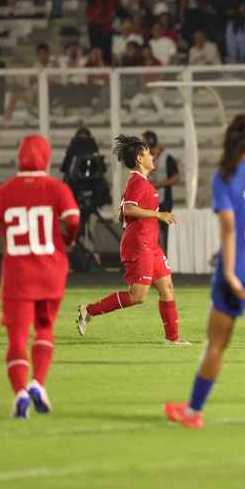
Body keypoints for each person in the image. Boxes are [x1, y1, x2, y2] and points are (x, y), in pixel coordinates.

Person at [164, 115, 245, 430]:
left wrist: (230, 271)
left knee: (216, 344)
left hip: (239, 271)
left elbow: (231, 227)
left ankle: (193, 412)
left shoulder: (225, 175)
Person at [0, 135, 80, 418]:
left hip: (18, 276)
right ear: (46, 157)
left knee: (17, 340)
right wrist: (68, 239)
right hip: (51, 273)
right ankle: (38, 383)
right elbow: (73, 219)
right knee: (45, 330)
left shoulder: (6, 190)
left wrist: (5, 230)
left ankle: (20, 392)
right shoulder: (56, 187)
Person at [76, 135, 190, 345]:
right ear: (139, 159)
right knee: (138, 296)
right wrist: (157, 215)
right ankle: (88, 310)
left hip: (150, 245)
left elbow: (122, 214)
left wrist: (139, 220)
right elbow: (128, 209)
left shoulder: (137, 182)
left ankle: (172, 339)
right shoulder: (137, 182)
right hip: (139, 246)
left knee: (167, 289)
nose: (152, 157)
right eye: (148, 154)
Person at [142, 131, 180, 252]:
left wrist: (160, 184)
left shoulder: (166, 157)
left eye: (144, 143)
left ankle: (169, 258)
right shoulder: (145, 157)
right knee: (151, 232)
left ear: (152, 142)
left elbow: (176, 177)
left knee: (166, 231)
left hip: (164, 200)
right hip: (150, 201)